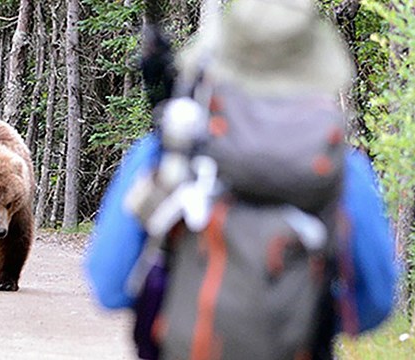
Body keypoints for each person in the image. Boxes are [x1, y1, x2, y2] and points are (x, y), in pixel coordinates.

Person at [85, 0, 397, 358]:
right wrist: (301, 316)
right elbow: (374, 305)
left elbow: (109, 285)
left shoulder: (171, 150)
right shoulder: (343, 170)